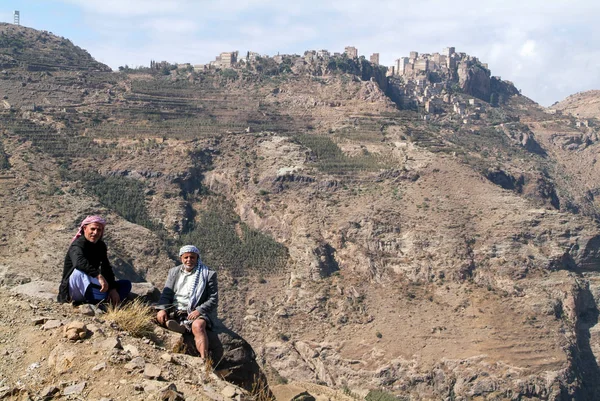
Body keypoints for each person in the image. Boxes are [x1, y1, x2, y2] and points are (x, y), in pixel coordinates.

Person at [156, 245, 218, 360]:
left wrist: (199, 310)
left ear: (197, 258)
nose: (189, 260)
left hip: (197, 311)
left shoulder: (208, 274)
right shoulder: (174, 272)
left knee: (198, 326)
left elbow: (213, 299)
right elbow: (166, 294)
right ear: (181, 258)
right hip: (176, 308)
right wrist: (162, 309)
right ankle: (182, 327)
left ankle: (203, 359)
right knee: (157, 317)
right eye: (186, 257)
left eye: (192, 257)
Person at [57, 215, 132, 305]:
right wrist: (98, 276)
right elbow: (79, 262)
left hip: (90, 282)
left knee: (125, 284)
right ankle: (97, 304)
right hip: (74, 289)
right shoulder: (77, 245)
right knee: (78, 272)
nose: (95, 233)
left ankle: (105, 302)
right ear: (85, 228)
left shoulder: (100, 246)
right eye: (92, 229)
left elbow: (106, 268)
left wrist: (112, 288)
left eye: (99, 230)